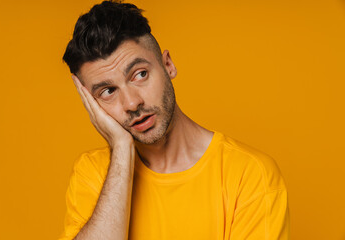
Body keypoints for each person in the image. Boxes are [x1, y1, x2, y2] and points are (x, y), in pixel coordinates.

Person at [59, 1, 289, 239]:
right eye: (107, 91)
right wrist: (121, 148)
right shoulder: (93, 173)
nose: (131, 103)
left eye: (140, 74)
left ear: (168, 65)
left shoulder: (249, 174)